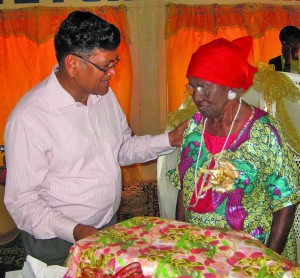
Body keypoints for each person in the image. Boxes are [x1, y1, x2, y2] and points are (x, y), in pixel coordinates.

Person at [4, 10, 187, 266]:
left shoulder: (103, 96)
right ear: (72, 64)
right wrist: (76, 230)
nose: (112, 72)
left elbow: (121, 148)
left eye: (115, 62)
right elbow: (23, 202)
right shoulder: (29, 119)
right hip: (57, 241)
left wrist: (170, 139)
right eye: (105, 65)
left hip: (105, 224)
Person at [168, 36, 300, 262]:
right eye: (192, 85)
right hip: (199, 250)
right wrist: (181, 240)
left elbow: (286, 202)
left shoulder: (264, 132)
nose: (196, 96)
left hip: (249, 253)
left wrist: (268, 261)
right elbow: (185, 187)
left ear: (231, 88)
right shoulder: (193, 126)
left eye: (205, 88)